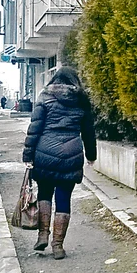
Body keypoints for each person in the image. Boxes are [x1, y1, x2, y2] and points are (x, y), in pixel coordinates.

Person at [22, 67, 96, 259]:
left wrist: (28, 155)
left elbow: (34, 128)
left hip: (45, 152)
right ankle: (58, 246)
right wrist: (91, 155)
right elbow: (88, 131)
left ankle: (43, 234)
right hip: (71, 154)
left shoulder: (44, 97)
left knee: (44, 193)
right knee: (64, 198)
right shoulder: (81, 100)